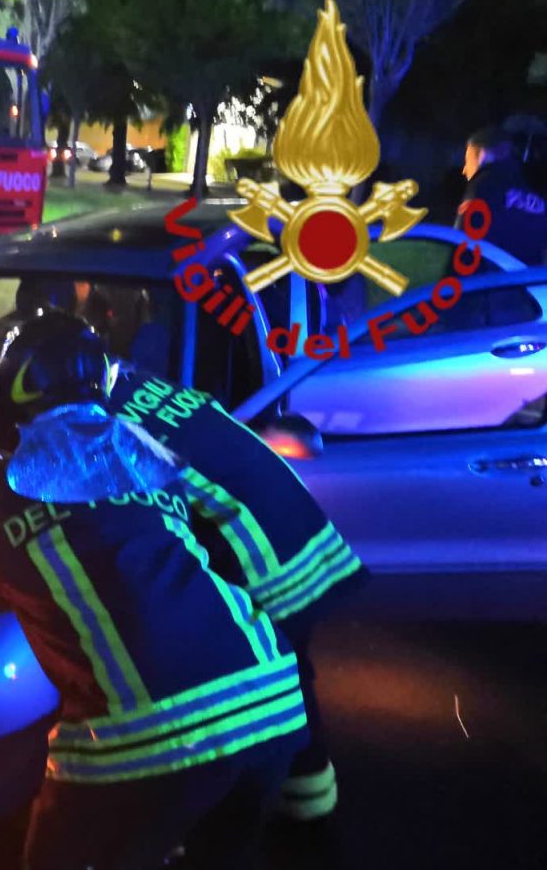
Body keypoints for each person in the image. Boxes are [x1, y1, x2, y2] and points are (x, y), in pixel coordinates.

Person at [0, 313, 308, 870]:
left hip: (148, 729)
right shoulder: (143, 451)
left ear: (4, 401)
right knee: (224, 868)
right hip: (270, 700)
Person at [106, 347, 368, 824]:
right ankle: (312, 796)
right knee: (294, 667)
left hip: (264, 559)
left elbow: (140, 519)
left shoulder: (109, 425)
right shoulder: (151, 388)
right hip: (304, 532)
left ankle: (236, 817)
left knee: (248, 681)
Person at [459, 124, 547, 265]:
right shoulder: (536, 197)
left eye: (468, 160)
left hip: (488, 282)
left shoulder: (483, 186)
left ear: (482, 155)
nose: (464, 170)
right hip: (526, 283)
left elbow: (463, 242)